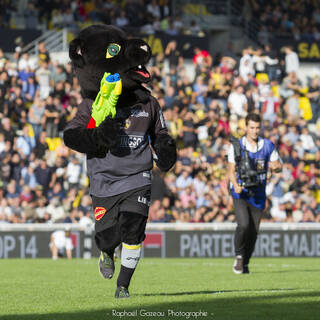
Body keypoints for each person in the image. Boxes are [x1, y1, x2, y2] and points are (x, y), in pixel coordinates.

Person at [228, 113, 282, 274]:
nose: (255, 131)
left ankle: (246, 262)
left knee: (254, 231)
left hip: (258, 192)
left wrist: (276, 167)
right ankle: (238, 257)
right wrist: (236, 185)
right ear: (246, 127)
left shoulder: (267, 146)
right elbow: (230, 170)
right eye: (251, 127)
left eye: (257, 127)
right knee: (243, 224)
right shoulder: (237, 145)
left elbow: (278, 166)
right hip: (241, 192)